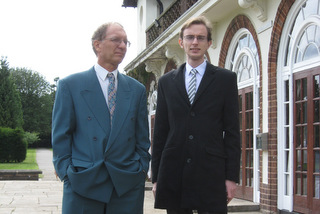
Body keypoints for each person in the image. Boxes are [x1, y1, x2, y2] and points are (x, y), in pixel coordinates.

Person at [52, 22, 151, 214]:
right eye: (115, 40)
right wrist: (66, 172)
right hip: (83, 182)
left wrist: (140, 169)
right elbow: (61, 135)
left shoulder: (137, 90)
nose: (122, 46)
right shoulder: (70, 85)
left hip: (126, 185)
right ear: (97, 44)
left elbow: (142, 138)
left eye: (125, 42)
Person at [151, 16, 241, 214]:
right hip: (175, 173)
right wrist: (156, 177)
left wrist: (231, 177)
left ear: (209, 43)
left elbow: (233, 132)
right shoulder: (166, 82)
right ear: (181, 42)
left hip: (211, 175)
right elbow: (160, 133)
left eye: (201, 38)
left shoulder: (225, 80)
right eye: (190, 37)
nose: (195, 42)